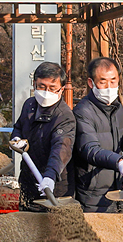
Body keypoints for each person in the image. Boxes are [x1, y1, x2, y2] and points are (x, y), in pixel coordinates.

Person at [72, 58, 123, 213]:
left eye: (113, 81)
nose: (109, 87)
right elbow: (90, 149)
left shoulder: (117, 107)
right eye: (103, 82)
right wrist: (119, 162)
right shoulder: (83, 111)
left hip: (117, 187)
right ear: (91, 82)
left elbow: (121, 141)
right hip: (92, 192)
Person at [12, 61, 76, 209]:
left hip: (55, 184)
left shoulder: (64, 116)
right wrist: (16, 139)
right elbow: (19, 127)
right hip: (28, 178)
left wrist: (50, 175)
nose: (46, 92)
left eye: (52, 88)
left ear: (61, 89)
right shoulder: (29, 105)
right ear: (34, 84)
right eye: (42, 86)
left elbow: (61, 148)